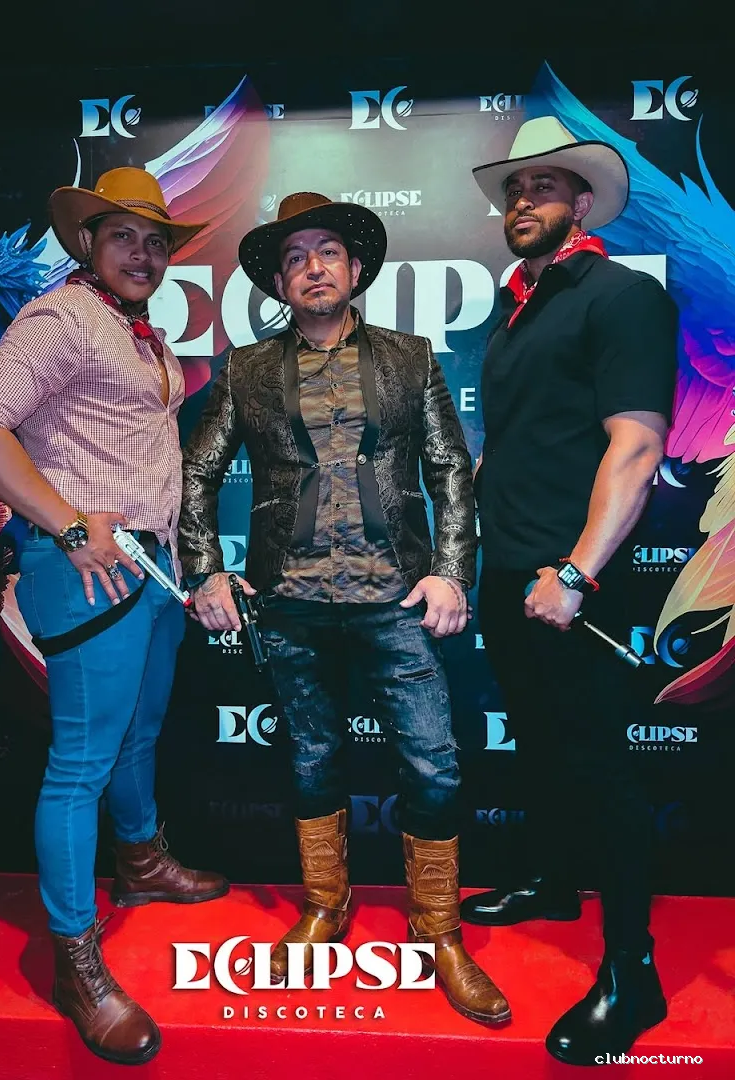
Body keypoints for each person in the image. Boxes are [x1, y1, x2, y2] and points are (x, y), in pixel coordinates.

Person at [179, 191, 510, 1025]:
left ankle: (439, 929)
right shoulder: (247, 369)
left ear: (356, 268)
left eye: (327, 251)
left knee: (433, 765)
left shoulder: (410, 357)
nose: (313, 268)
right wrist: (206, 571)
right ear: (278, 283)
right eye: (294, 258)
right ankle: (326, 905)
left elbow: (450, 470)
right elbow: (199, 472)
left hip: (396, 598)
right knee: (310, 761)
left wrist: (453, 572)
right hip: (288, 602)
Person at [0, 167, 228, 1066]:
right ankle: (76, 962)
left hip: (150, 566)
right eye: (122, 237)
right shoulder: (62, 317)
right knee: (81, 764)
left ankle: (141, 862)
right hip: (87, 569)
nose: (142, 254)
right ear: (87, 244)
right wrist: (67, 524)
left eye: (155, 241)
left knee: (138, 734)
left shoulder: (133, 329)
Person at [467, 117, 678, 1064]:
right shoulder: (517, 306)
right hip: (513, 573)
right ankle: (553, 884)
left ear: (582, 204)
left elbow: (636, 447)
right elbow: (520, 443)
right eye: (516, 189)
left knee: (600, 770)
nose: (524, 200)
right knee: (543, 747)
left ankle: (633, 973)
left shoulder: (623, 296)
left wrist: (578, 573)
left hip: (575, 581)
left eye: (544, 186)